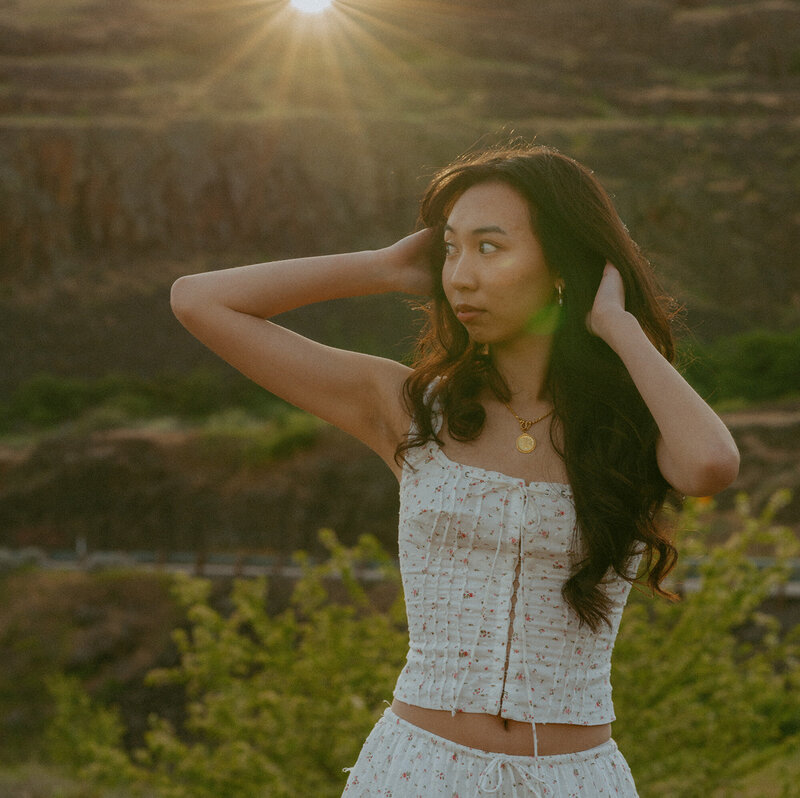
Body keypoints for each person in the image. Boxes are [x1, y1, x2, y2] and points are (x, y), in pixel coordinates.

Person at [170, 143, 740, 797]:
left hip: (577, 780)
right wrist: (381, 267)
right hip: (421, 771)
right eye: (450, 249)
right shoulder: (409, 407)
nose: (461, 275)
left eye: (490, 247)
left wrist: (617, 324)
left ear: (561, 264)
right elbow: (199, 302)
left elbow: (711, 464)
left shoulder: (630, 428)